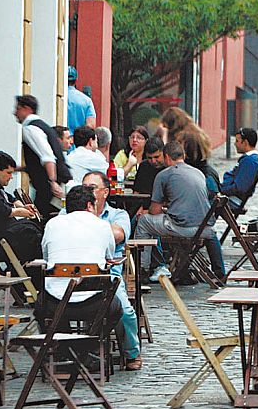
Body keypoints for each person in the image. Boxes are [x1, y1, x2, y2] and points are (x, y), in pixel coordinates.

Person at [39, 185, 123, 360]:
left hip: (55, 302)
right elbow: (108, 256)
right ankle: (85, 348)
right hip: (93, 303)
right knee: (115, 308)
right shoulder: (102, 225)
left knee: (40, 308)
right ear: (90, 205)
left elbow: (46, 256)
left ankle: (66, 349)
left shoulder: (52, 224)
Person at [77, 171, 141, 370]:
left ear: (105, 192)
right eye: (85, 187)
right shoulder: (72, 211)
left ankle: (132, 353)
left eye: (92, 188)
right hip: (74, 274)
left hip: (108, 275)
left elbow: (119, 234)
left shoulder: (117, 214)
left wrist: (86, 226)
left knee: (126, 311)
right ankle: (72, 351)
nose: (88, 192)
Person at [134, 141, 224, 281]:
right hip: (205, 228)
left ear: (167, 157)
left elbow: (155, 211)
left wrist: (150, 211)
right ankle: (219, 272)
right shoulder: (198, 173)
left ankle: (142, 269)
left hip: (182, 228)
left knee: (143, 222)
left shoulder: (164, 175)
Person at [14, 94, 71, 216]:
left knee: (43, 219)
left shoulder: (30, 128)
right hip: (56, 181)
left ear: (27, 109)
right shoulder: (42, 126)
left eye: (18, 108)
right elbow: (39, 160)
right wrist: (19, 169)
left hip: (49, 187)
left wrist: (52, 182)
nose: (15, 112)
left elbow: (47, 157)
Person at [158, 107, 213, 179]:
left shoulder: (184, 137)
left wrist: (164, 136)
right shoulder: (195, 131)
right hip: (202, 173)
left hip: (190, 176)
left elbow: (170, 159)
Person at [220, 127, 258, 212]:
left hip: (233, 200)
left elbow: (239, 188)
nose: (235, 144)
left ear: (245, 143)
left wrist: (220, 190)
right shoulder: (249, 160)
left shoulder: (250, 161)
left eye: (237, 141)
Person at [65, 66, 96, 133]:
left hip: (60, 140)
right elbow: (91, 126)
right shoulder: (86, 101)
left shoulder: (58, 97)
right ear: (76, 80)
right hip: (78, 141)